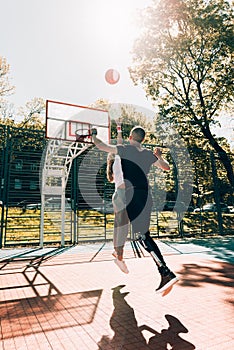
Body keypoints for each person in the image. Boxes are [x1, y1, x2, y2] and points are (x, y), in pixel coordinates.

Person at [92, 125, 178, 294]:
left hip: (132, 196)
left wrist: (94, 136)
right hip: (146, 195)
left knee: (141, 236)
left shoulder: (125, 149)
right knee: (144, 235)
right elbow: (166, 167)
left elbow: (102, 146)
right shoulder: (147, 154)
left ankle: (165, 271)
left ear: (130, 137)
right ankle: (163, 272)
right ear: (143, 140)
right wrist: (159, 157)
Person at [106, 123, 130, 274]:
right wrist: (119, 129)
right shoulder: (118, 160)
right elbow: (119, 144)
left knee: (119, 227)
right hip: (122, 196)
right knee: (122, 228)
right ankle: (119, 256)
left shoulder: (116, 166)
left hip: (118, 196)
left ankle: (117, 253)